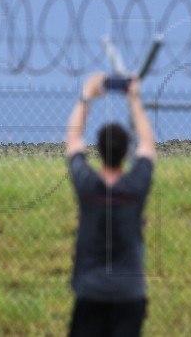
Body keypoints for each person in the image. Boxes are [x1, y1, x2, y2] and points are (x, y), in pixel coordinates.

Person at [65, 72, 156, 337]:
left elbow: (73, 141)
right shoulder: (136, 186)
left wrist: (86, 96)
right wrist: (135, 100)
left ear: (99, 151)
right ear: (127, 152)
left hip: (91, 291)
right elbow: (148, 145)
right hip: (129, 294)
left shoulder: (87, 186)